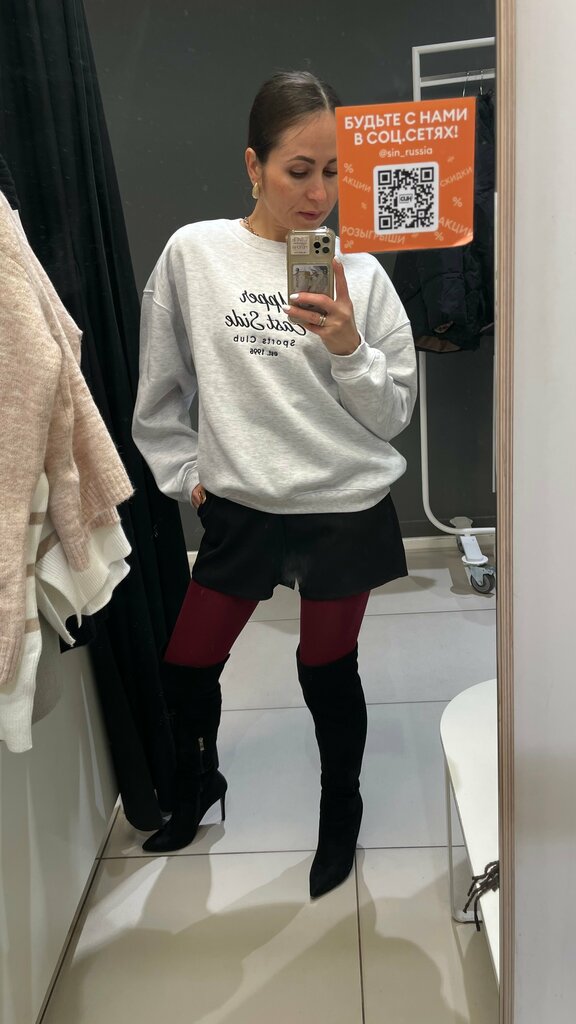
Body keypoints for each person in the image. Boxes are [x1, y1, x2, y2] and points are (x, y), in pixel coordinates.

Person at [132, 70, 417, 899]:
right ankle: (198, 781)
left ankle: (340, 807)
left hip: (343, 508)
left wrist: (348, 349)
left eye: (332, 172)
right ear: (253, 165)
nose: (318, 195)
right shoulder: (196, 255)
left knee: (326, 672)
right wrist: (186, 475)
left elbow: (393, 414)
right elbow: (160, 390)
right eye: (299, 170)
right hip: (243, 509)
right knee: (188, 666)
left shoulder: (360, 277)